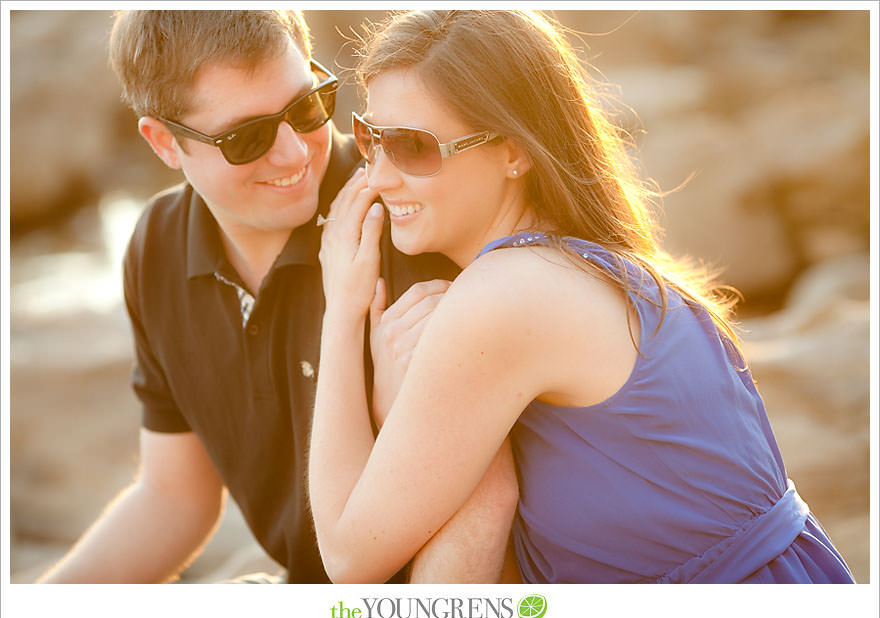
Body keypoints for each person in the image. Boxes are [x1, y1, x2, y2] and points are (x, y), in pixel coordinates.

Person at [309, 9, 856, 584]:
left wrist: (341, 312)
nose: (376, 177)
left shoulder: (508, 293)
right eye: (370, 139)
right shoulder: (593, 267)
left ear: (515, 150)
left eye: (412, 147)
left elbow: (349, 557)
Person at [36, 9, 518, 584]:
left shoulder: (411, 222)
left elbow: (481, 508)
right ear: (164, 141)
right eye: (247, 137)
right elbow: (174, 499)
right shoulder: (157, 245)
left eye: (307, 107)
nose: (293, 155)